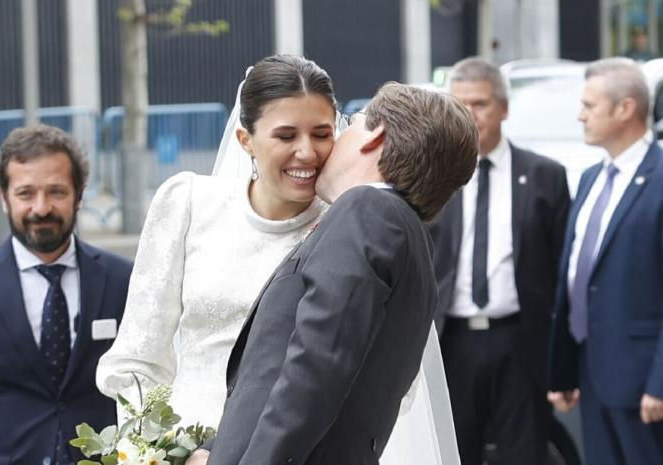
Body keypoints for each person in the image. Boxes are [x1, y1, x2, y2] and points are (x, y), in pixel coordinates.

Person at [97, 55, 461, 465]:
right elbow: (138, 358)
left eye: (322, 134)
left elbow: (337, 372)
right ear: (245, 139)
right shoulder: (188, 203)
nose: (306, 152)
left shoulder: (354, 229)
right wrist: (153, 451)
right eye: (285, 136)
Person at [187, 82, 477, 465]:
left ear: (376, 136)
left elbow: (316, 367)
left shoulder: (367, 210)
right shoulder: (411, 239)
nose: (336, 139)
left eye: (349, 123)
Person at [0, 125, 133, 465]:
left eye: (56, 192)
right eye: (25, 194)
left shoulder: (124, 280)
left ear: (79, 195)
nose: (41, 207)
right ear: (4, 198)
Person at [547, 58, 663, 465]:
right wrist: (565, 368)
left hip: (643, 381)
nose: (579, 115)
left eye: (589, 105)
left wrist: (662, 382)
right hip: (592, 369)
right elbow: (577, 277)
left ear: (625, 109)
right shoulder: (589, 178)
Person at [430, 57, 570, 465]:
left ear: (503, 108)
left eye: (480, 103)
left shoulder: (545, 175)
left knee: (524, 453)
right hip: (450, 340)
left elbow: (562, 267)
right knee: (453, 452)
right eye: (460, 104)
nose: (469, 115)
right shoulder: (433, 175)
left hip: (519, 341)